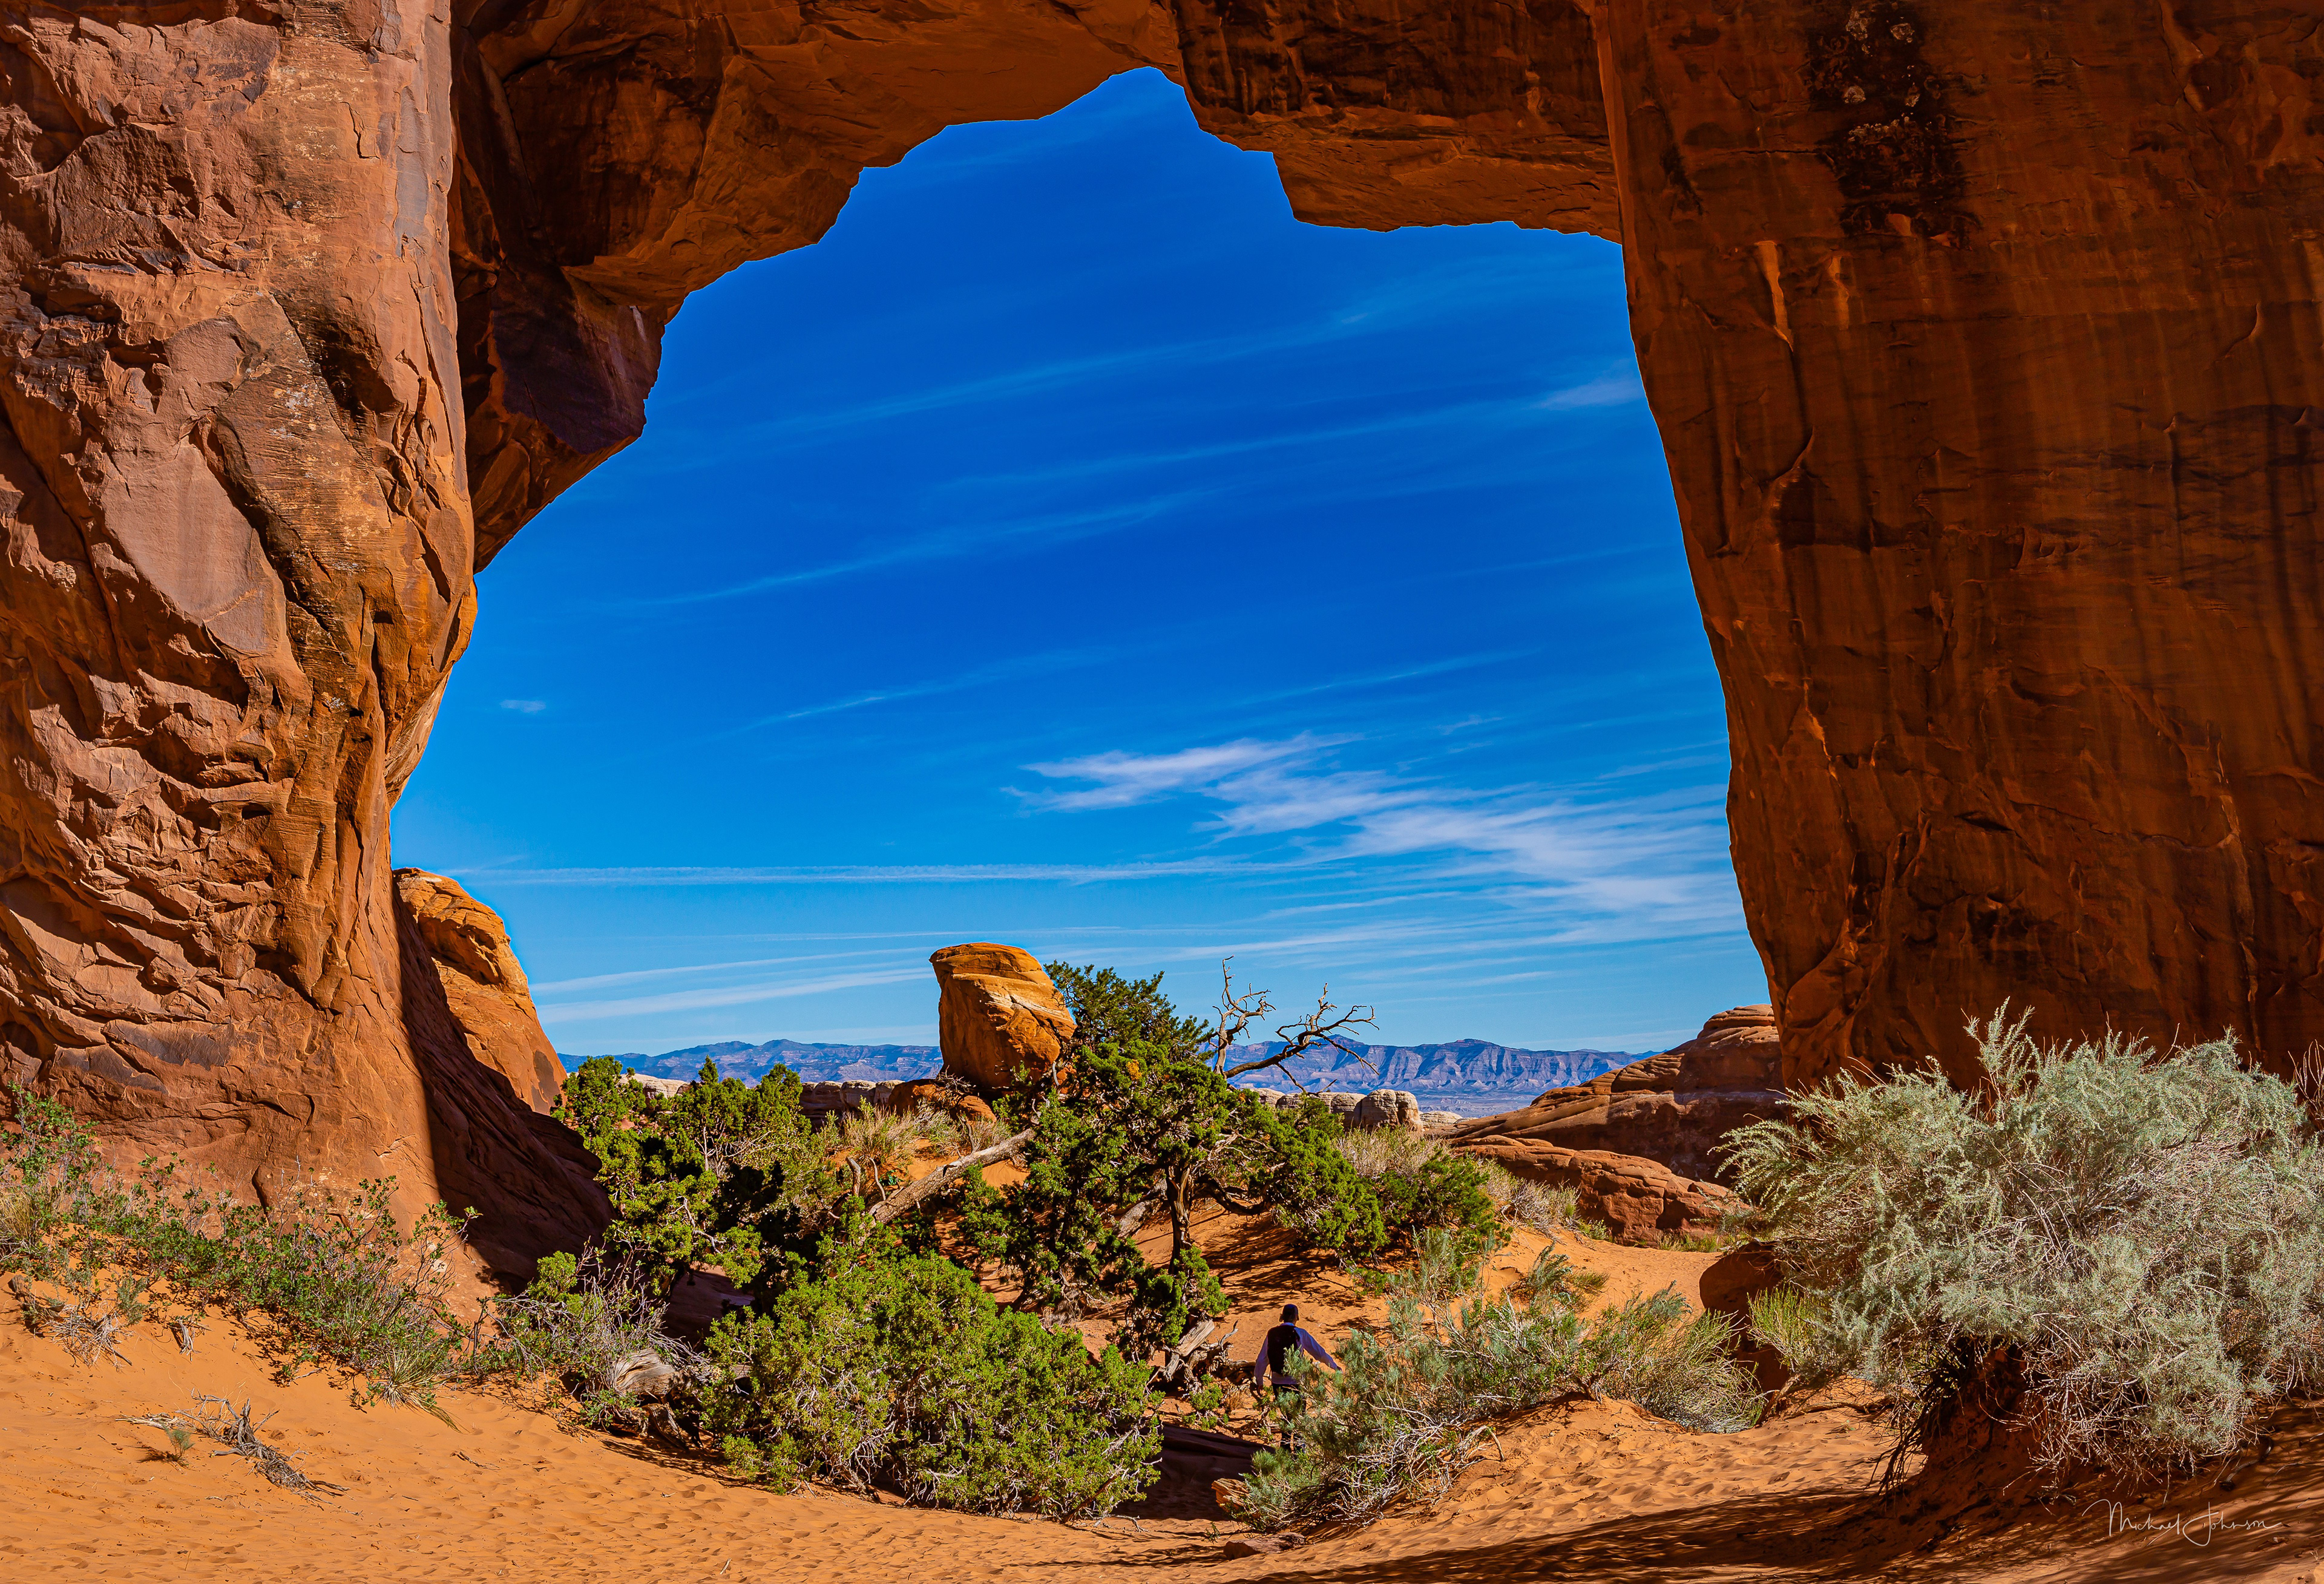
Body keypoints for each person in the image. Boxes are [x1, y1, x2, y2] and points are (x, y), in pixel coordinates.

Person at [1252, 1303, 1341, 1447]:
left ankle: (1285, 1449)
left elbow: (1262, 1360)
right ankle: (1300, 1451)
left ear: (1282, 1317)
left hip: (1278, 1382)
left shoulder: (1271, 1333)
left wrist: (1259, 1380)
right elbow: (1319, 1353)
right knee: (1300, 1416)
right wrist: (1334, 1366)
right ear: (1296, 1317)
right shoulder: (1300, 1333)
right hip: (1297, 1382)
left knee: (1287, 1415)